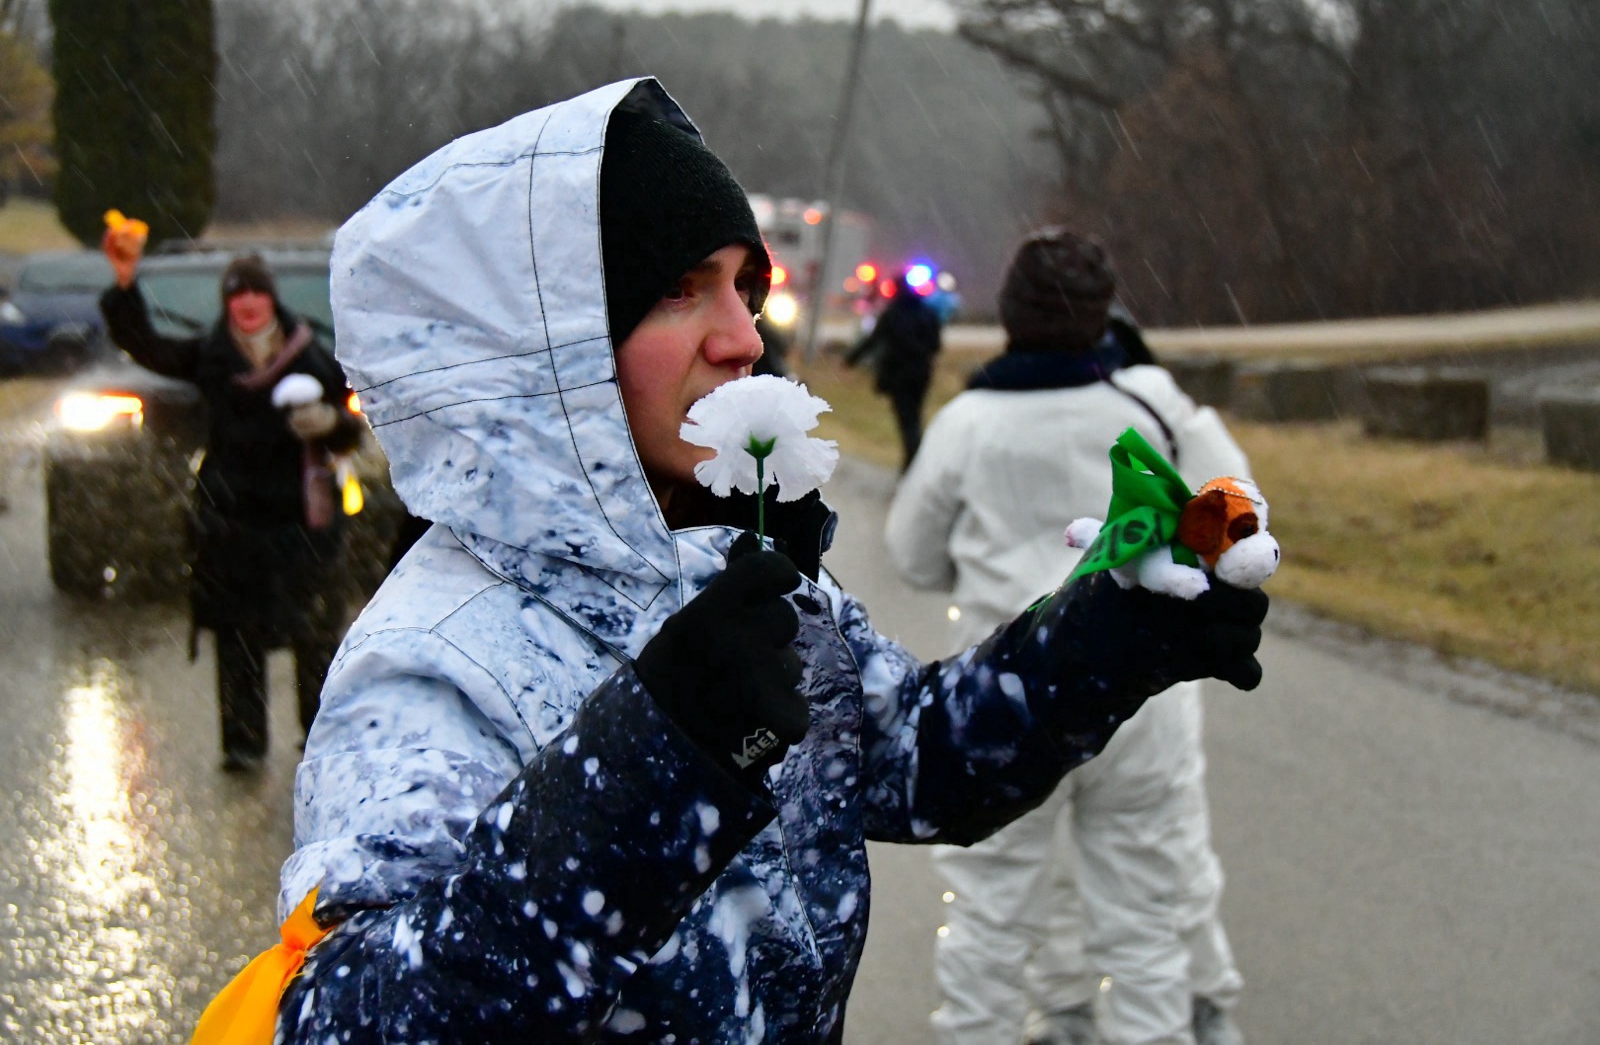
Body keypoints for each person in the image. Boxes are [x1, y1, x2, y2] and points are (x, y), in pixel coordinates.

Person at [262, 80, 1266, 1043]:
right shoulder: (433, 655)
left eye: (745, 288)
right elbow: (343, 1017)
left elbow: (916, 761)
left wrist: (1099, 635)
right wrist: (648, 759)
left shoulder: (729, 562)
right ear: (545, 353)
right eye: (680, 290)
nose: (743, 338)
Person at [885, 228, 1253, 1045]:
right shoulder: (1150, 404)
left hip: (1004, 693)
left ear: (1011, 315)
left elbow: (911, 553)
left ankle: (989, 1029)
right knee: (1145, 910)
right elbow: (1236, 505)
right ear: (1104, 314)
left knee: (990, 905)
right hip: (1141, 692)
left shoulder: (968, 421)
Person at [99, 243, 363, 772]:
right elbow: (145, 345)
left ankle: (322, 743)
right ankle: (243, 744)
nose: (247, 303)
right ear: (227, 304)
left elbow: (353, 428)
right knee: (238, 638)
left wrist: (331, 425)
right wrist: (125, 285)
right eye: (237, 294)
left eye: (256, 292)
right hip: (233, 520)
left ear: (272, 299)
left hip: (302, 519)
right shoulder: (210, 357)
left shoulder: (314, 356)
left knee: (315, 635)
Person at [846, 270, 943, 469]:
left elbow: (873, 340)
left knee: (907, 420)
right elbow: (935, 345)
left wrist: (851, 359)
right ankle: (914, 461)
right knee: (914, 416)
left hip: (900, 375)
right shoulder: (927, 313)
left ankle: (913, 463)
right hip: (921, 374)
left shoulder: (893, 314)